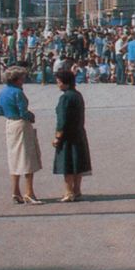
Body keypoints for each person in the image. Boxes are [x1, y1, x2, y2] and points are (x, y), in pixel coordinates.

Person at [0, 66, 43, 205]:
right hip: (21, 124)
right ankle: (29, 192)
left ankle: (15, 191)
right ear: (16, 79)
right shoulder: (18, 93)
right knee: (28, 157)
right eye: (22, 78)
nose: (23, 80)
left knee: (14, 157)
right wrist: (31, 116)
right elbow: (23, 111)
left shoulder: (2, 92)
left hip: (10, 124)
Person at [51, 66, 91, 203]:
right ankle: (77, 190)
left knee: (67, 165)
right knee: (77, 164)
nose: (58, 84)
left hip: (67, 136)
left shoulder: (65, 98)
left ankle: (68, 192)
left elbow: (62, 119)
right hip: (79, 132)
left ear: (65, 82)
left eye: (59, 81)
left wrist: (58, 136)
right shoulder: (77, 94)